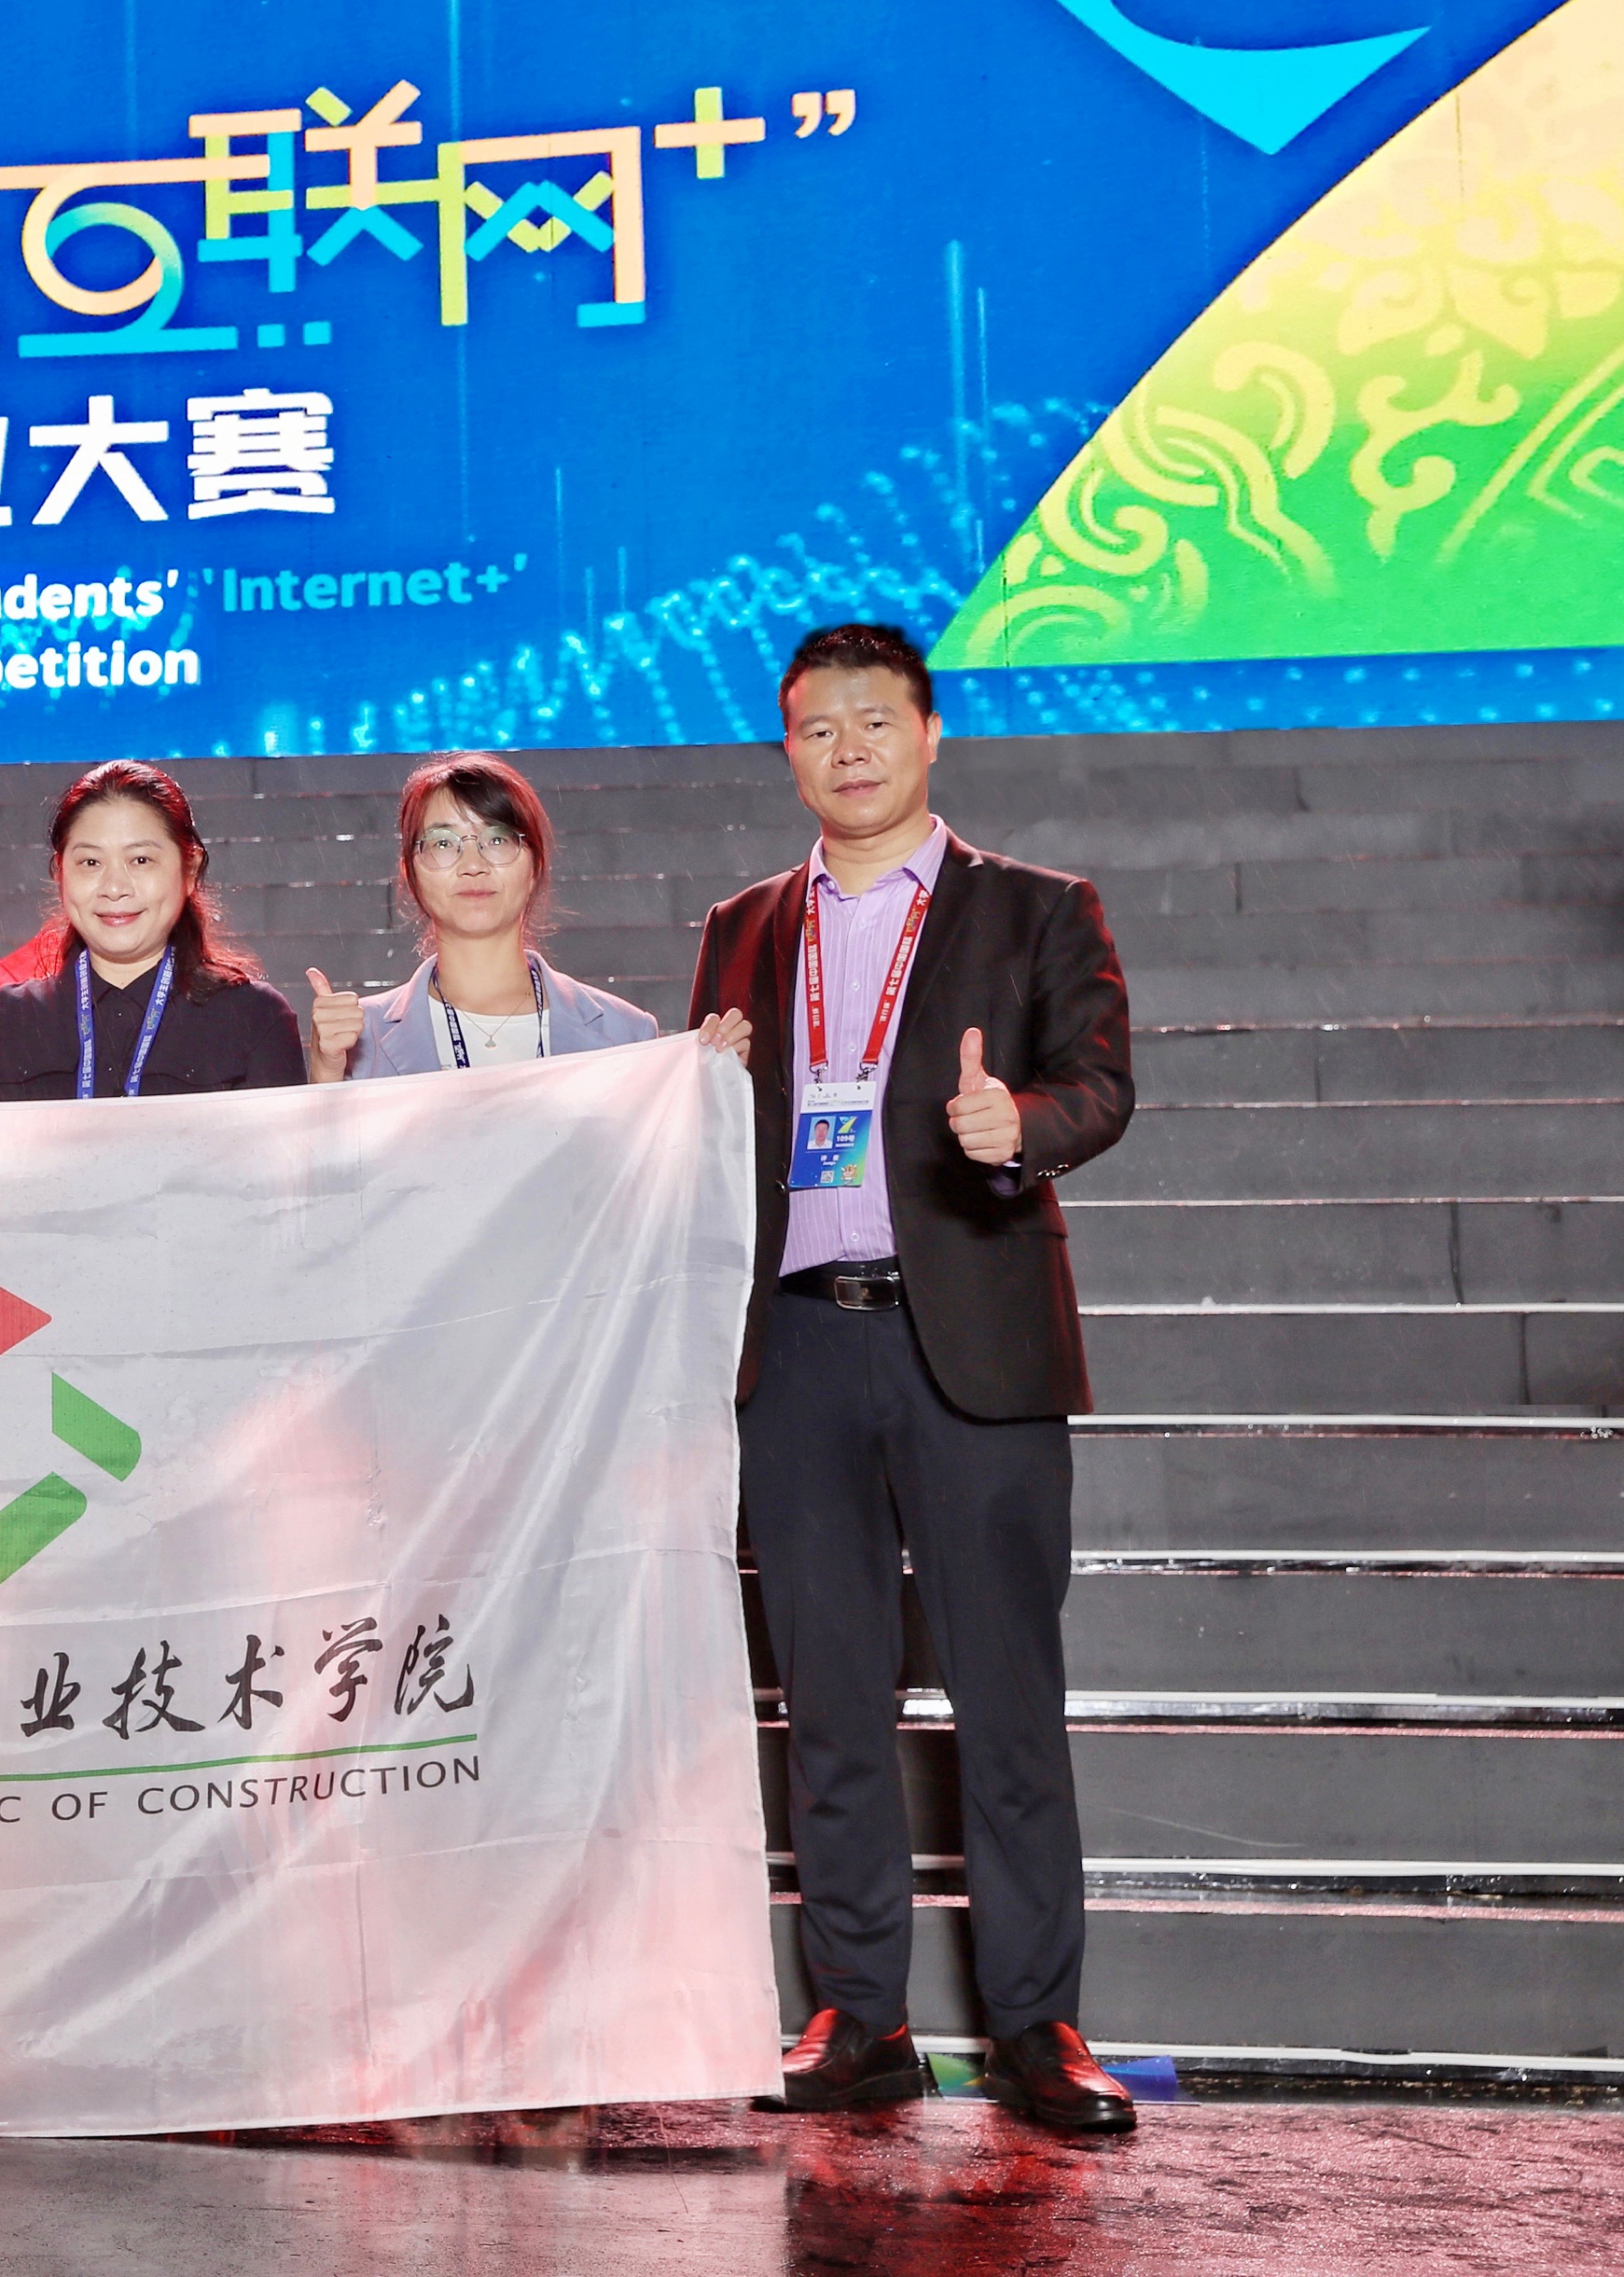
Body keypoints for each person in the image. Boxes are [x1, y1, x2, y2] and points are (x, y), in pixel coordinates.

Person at [687, 622, 1138, 2136]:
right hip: (797, 1348)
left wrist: (1026, 1127)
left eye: (875, 720)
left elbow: (1100, 1080)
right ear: (788, 751)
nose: (850, 749)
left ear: (929, 733)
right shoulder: (744, 926)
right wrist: (702, 1085)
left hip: (973, 1345)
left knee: (1007, 1700)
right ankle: (859, 2017)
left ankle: (1036, 2025)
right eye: (818, 727)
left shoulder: (1036, 907)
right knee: (827, 1702)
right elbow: (713, 1126)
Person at [0, 759, 307, 1100]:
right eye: (91, 862)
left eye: (141, 860)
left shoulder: (253, 1019)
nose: (114, 887)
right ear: (60, 873)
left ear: (190, 870)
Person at [311, 753, 658, 1076]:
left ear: (536, 865)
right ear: (410, 873)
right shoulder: (360, 1040)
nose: (473, 865)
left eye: (497, 840)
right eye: (443, 843)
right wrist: (326, 1071)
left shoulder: (626, 1034)